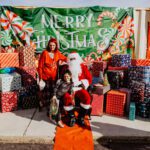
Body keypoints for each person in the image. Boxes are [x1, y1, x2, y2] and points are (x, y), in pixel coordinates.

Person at [63, 51, 92, 127]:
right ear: (69, 59)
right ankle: (71, 116)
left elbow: (89, 78)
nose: (73, 60)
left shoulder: (82, 67)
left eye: (74, 58)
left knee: (87, 97)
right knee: (66, 97)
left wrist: (83, 83)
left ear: (78, 59)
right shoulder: (66, 67)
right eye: (71, 59)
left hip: (79, 87)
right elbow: (62, 79)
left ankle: (81, 117)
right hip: (69, 88)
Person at [38, 38, 67, 113]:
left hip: (53, 77)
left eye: (53, 45)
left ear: (56, 46)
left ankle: (50, 107)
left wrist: (74, 60)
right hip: (45, 77)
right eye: (50, 45)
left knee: (52, 92)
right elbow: (40, 66)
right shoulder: (44, 53)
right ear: (48, 45)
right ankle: (42, 104)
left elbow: (65, 58)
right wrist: (40, 78)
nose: (52, 47)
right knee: (46, 93)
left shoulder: (57, 53)